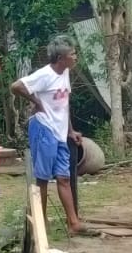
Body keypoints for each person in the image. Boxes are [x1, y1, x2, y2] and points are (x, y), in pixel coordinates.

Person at [11, 37, 87, 235]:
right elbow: (16, 86)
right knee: (43, 178)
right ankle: (41, 221)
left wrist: (70, 130)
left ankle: (73, 222)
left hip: (61, 132)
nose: (75, 57)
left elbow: (64, 103)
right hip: (44, 128)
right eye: (72, 54)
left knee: (64, 177)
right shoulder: (44, 75)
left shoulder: (66, 73)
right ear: (61, 58)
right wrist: (36, 101)